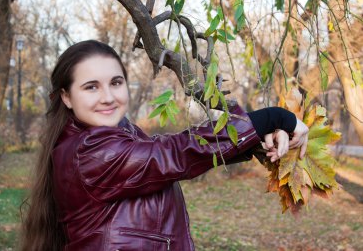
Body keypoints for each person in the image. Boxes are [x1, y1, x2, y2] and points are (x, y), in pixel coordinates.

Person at [20, 40, 309, 251]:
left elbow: (160, 155)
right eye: (91, 86)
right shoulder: (90, 151)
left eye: (116, 82)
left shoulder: (111, 135)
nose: (108, 97)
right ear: (67, 97)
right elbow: (172, 154)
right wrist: (273, 116)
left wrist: (258, 135)